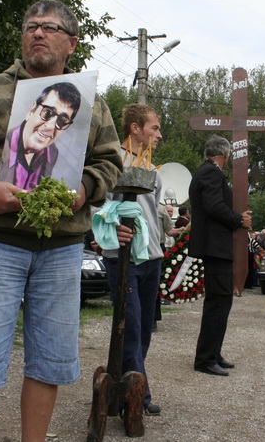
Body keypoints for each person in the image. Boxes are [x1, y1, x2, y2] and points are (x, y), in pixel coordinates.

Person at [0, 0, 121, 442]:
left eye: (49, 27)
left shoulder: (92, 104)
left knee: (49, 360)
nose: (38, 33)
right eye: (31, 26)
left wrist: (84, 190)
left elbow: (109, 160)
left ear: (71, 43)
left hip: (62, 250)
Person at [99, 103, 165, 416]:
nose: (159, 135)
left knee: (144, 329)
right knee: (130, 328)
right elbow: (96, 207)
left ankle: (130, 385)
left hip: (152, 257)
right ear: (135, 128)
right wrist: (111, 228)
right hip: (123, 259)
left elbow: (154, 213)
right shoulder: (112, 161)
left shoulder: (153, 169)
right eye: (154, 128)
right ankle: (137, 397)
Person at [189, 135, 251, 377]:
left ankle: (213, 352)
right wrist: (239, 219)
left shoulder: (206, 171)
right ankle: (204, 359)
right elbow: (214, 205)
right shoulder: (210, 173)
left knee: (221, 301)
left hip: (215, 247)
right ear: (225, 155)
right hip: (215, 247)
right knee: (218, 302)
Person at [0, 82, 82, 191]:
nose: (50, 127)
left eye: (62, 121)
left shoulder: (52, 152)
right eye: (48, 112)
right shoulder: (0, 143)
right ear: (32, 110)